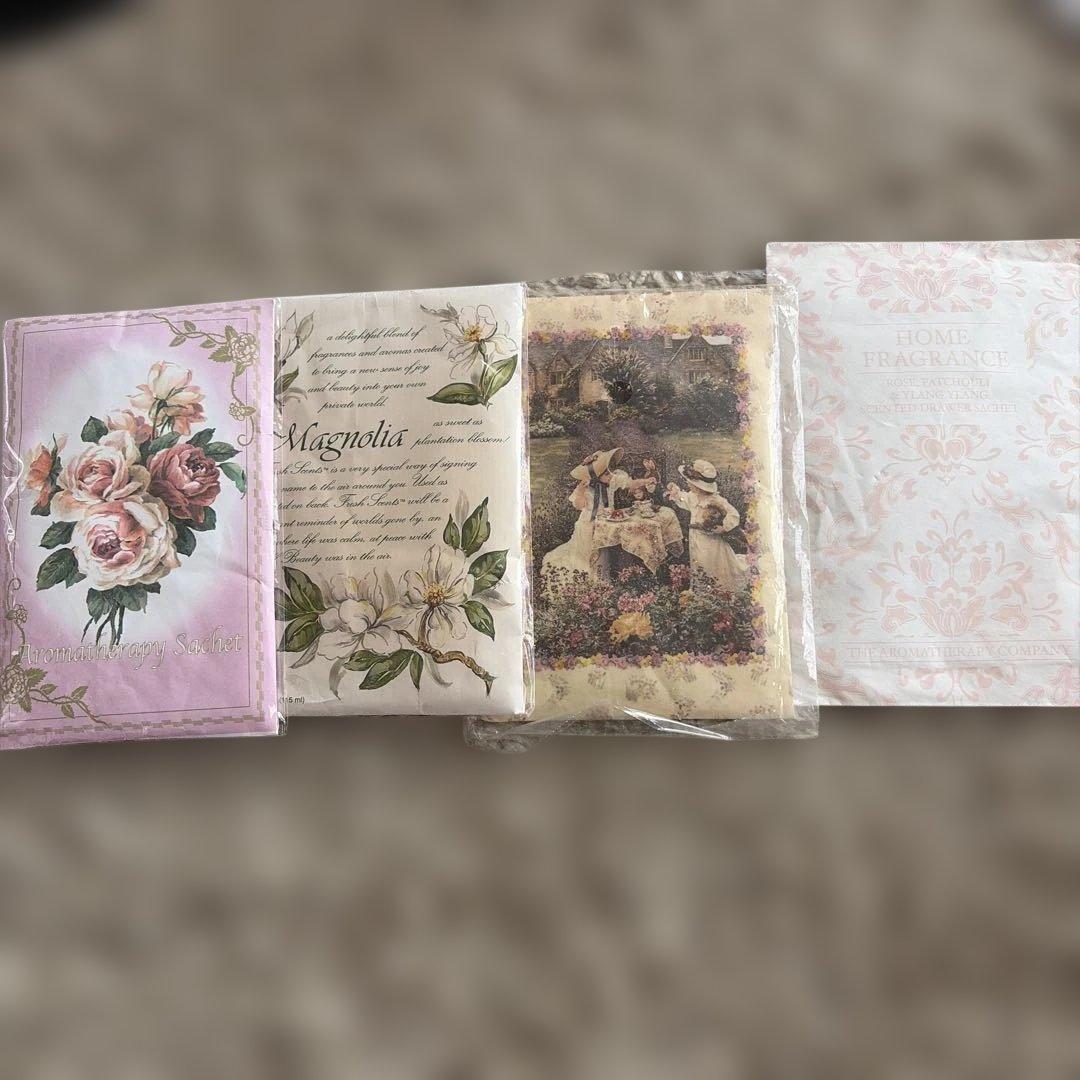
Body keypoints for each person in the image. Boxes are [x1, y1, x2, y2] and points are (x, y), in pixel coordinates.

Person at [542, 447, 632, 581]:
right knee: (586, 552)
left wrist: (646, 481)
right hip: (588, 524)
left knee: (602, 551)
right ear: (597, 477)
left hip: (604, 523)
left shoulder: (610, 483)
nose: (611, 476)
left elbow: (628, 483)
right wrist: (580, 492)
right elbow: (578, 505)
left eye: (610, 472)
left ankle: (601, 577)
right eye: (607, 474)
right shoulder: (586, 488)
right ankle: (587, 578)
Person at [664, 458, 749, 589]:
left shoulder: (716, 500)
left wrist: (724, 527)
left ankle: (718, 588)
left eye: (690, 483)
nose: (688, 484)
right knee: (699, 561)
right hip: (696, 537)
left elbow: (733, 514)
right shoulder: (693, 496)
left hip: (712, 540)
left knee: (711, 562)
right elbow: (683, 498)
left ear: (698, 486)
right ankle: (702, 587)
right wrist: (675, 492)